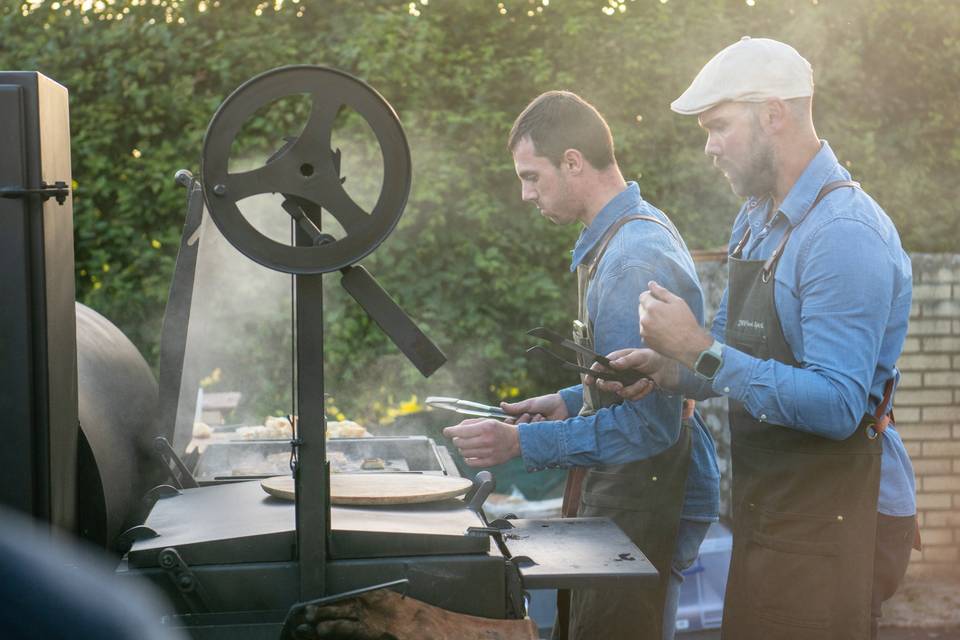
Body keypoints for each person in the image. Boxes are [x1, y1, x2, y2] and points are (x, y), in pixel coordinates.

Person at [596, 37, 919, 639]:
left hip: (839, 516)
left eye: (718, 127)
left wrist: (697, 350)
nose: (709, 148)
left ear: (773, 114)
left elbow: (838, 405)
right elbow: (727, 350)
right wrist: (669, 369)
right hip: (775, 509)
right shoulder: (757, 217)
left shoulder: (842, 234)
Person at [442, 90, 720, 640]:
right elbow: (634, 383)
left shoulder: (629, 258)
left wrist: (520, 445)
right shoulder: (621, 237)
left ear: (572, 161)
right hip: (636, 483)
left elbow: (649, 424)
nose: (525, 194)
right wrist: (567, 400)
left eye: (531, 176)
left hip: (652, 488)